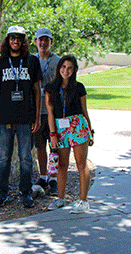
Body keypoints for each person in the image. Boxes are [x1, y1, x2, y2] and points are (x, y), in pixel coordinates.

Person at [0, 25, 42, 208]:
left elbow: (37, 91)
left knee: (26, 158)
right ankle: (1, 193)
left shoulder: (32, 61)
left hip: (26, 119)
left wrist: (37, 117)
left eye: (19, 38)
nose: (15, 41)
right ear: (7, 40)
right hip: (5, 119)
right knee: (4, 158)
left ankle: (26, 193)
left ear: (23, 41)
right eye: (12, 38)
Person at [45, 55, 94, 214]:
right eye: (63, 67)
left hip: (78, 126)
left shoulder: (79, 87)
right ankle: (60, 198)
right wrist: (52, 133)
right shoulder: (50, 88)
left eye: (70, 68)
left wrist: (90, 130)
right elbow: (50, 113)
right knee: (62, 164)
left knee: (81, 163)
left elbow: (84, 111)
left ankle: (83, 201)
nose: (66, 70)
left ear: (74, 70)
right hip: (60, 128)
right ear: (59, 68)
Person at [32, 28, 61, 197]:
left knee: (54, 147)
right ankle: (42, 176)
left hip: (54, 112)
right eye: (40, 40)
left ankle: (53, 177)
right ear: (35, 42)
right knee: (40, 146)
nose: (43, 43)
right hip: (37, 112)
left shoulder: (58, 62)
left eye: (46, 40)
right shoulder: (31, 60)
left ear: (52, 41)